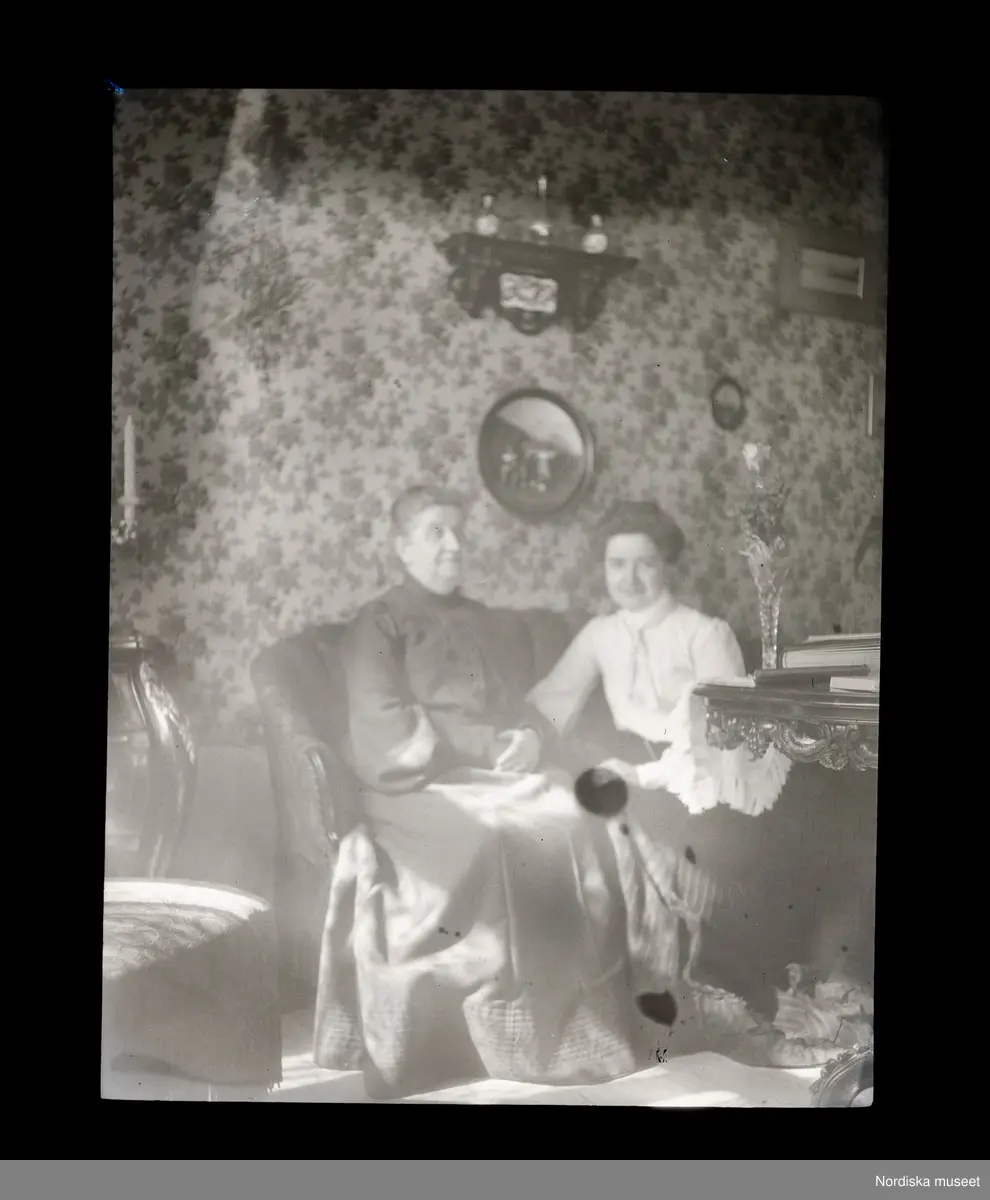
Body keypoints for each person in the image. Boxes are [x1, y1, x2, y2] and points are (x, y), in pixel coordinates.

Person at [311, 486, 794, 1099]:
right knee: (516, 826)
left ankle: (578, 1024)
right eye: (435, 532)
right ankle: (507, 1025)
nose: (453, 544)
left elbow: (524, 704)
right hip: (420, 785)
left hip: (550, 770)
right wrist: (498, 745)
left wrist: (528, 738)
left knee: (570, 812)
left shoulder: (485, 619)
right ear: (402, 546)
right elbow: (386, 723)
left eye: (458, 531)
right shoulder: (377, 621)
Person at [528, 500, 793, 1009]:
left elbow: (722, 737)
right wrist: (519, 735)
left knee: (709, 851)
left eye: (645, 563)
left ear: (667, 565)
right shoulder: (600, 634)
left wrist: (644, 775)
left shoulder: (704, 633)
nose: (629, 579)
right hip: (633, 766)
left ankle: (719, 984)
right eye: (617, 564)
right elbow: (552, 700)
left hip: (702, 772)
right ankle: (632, 986)